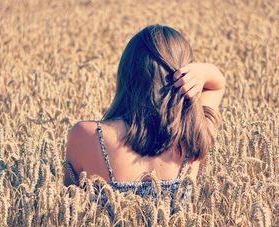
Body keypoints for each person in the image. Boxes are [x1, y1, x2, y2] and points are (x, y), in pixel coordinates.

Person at [63, 24, 225, 201]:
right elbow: (217, 86)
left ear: (127, 75)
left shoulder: (87, 135)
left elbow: (69, 208)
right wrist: (201, 71)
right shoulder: (194, 135)